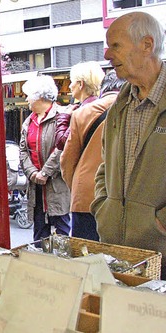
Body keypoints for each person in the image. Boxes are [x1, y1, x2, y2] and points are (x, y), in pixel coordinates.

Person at [92, 12, 166, 278]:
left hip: (162, 254)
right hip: (119, 253)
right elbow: (104, 166)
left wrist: (160, 223)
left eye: (116, 46)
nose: (107, 56)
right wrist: (104, 206)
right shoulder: (120, 106)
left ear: (147, 45)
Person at [61, 70, 126, 241]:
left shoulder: (82, 113)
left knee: (86, 257)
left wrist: (75, 188)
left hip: (86, 196)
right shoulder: (133, 108)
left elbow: (67, 161)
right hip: (123, 198)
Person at [19, 75, 71, 242]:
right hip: (36, 188)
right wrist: (33, 173)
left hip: (57, 185)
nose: (26, 99)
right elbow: (23, 151)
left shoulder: (62, 116)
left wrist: (46, 172)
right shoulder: (28, 122)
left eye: (29, 95)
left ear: (40, 96)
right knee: (39, 233)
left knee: (62, 231)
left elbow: (62, 147)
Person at [55, 61, 105, 150]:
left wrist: (64, 116)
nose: (70, 86)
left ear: (81, 84)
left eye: (72, 81)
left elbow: (62, 142)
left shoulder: (83, 111)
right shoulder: (100, 106)